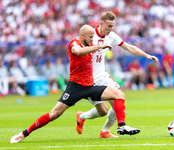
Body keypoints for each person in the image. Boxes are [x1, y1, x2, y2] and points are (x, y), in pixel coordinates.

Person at [10, 24, 140, 143]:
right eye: (90, 37)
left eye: (93, 37)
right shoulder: (74, 43)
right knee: (54, 114)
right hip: (75, 87)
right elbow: (78, 51)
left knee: (118, 95)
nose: (92, 39)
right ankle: (24, 133)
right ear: (82, 35)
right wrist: (99, 46)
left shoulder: (90, 44)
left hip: (90, 86)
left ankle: (121, 126)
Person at [75, 11, 158, 138]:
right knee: (103, 111)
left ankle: (106, 131)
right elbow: (77, 51)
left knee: (118, 100)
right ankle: (82, 117)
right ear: (100, 24)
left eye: (112, 26)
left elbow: (129, 47)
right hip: (89, 80)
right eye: (109, 26)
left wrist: (146, 55)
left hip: (102, 75)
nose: (111, 29)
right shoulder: (89, 35)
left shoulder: (111, 36)